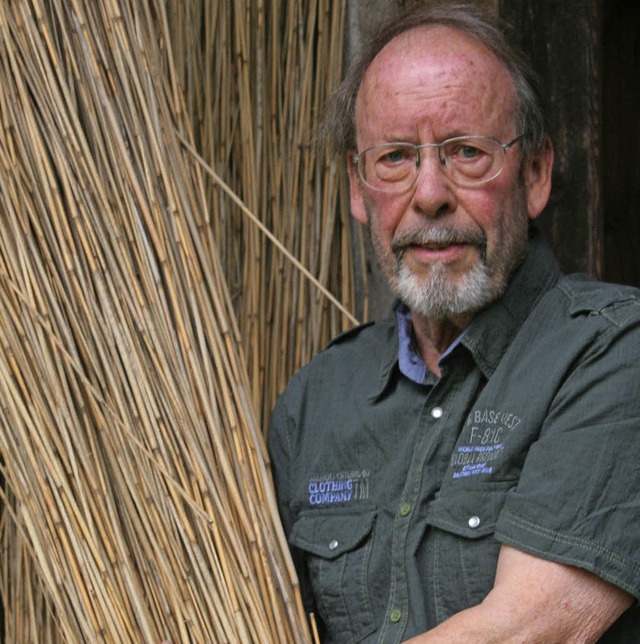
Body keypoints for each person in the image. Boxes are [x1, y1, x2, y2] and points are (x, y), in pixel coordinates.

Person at [267, 2, 640, 642]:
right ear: (359, 189)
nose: (431, 193)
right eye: (395, 158)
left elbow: (525, 630)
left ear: (535, 174)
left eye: (467, 152)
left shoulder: (611, 352)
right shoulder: (318, 399)